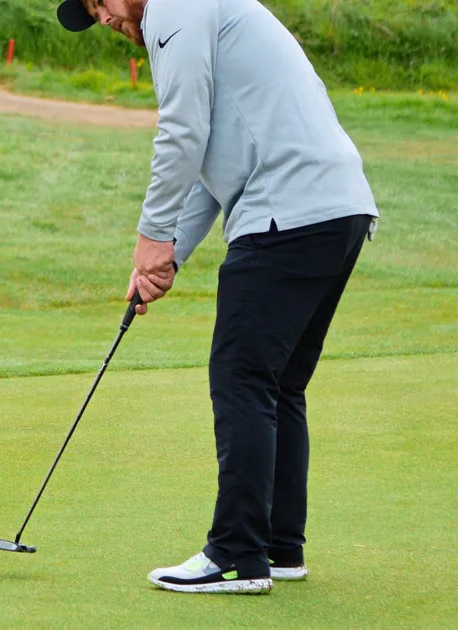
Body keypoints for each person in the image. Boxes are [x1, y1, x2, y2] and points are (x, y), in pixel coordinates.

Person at [56, 0, 380, 594]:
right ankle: (278, 549)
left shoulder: (172, 9)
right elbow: (211, 159)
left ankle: (236, 554)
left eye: (99, 1)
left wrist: (151, 236)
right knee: (278, 384)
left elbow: (181, 133)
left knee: (241, 379)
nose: (102, 18)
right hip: (338, 209)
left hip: (285, 213)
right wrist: (169, 255)